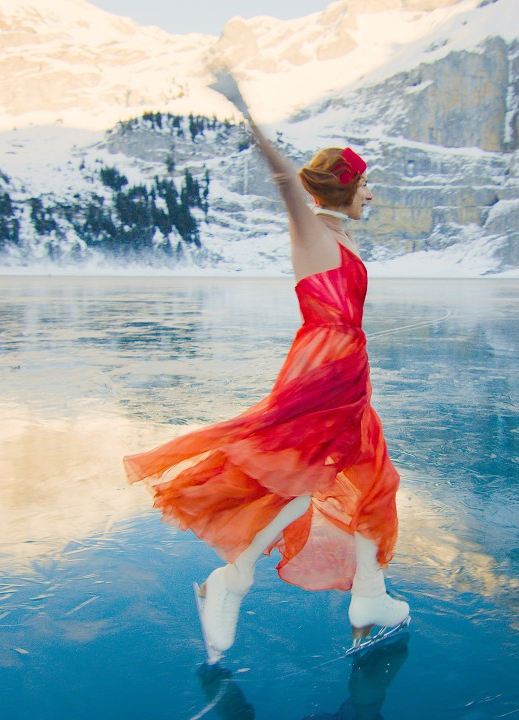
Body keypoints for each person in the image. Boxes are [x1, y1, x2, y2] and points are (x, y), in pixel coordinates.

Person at [122, 73, 410, 664]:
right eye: (367, 187)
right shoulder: (308, 229)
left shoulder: (338, 236)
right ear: (346, 186)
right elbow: (282, 177)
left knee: (371, 476)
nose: (372, 197)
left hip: (347, 365)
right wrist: (244, 109)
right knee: (301, 479)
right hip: (323, 365)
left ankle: (369, 595)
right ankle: (234, 579)